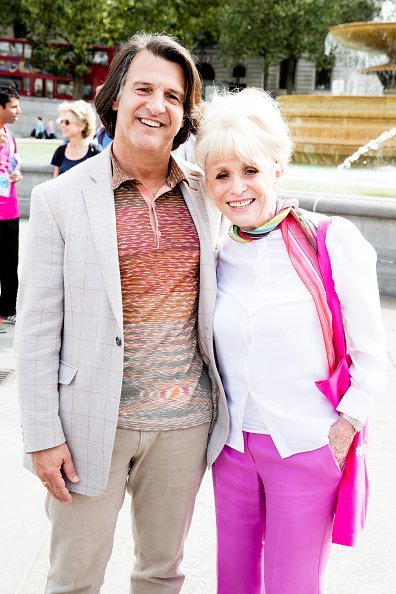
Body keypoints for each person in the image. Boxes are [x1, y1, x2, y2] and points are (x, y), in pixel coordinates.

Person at [14, 33, 228, 594]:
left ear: (185, 114)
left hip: (184, 424)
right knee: (74, 578)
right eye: (144, 89)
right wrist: (41, 435)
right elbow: (37, 327)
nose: (157, 105)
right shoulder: (61, 198)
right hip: (88, 426)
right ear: (114, 98)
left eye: (174, 96)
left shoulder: (208, 195)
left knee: (162, 573)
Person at [194, 88, 387, 594]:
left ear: (277, 167)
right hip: (233, 448)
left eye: (250, 170)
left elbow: (371, 354)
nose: (236, 188)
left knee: (292, 585)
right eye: (221, 175)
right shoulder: (217, 255)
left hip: (305, 445)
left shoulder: (332, 238)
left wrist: (343, 428)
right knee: (233, 583)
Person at [0, 85, 22, 332]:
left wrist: (16, 173)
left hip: (10, 210)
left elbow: (12, 165)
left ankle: (8, 309)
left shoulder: (11, 136)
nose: (19, 111)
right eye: (14, 106)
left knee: (9, 263)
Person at [51, 99, 100, 176]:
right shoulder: (60, 151)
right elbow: (54, 183)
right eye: (62, 121)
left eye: (67, 122)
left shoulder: (95, 152)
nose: (62, 125)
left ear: (81, 126)